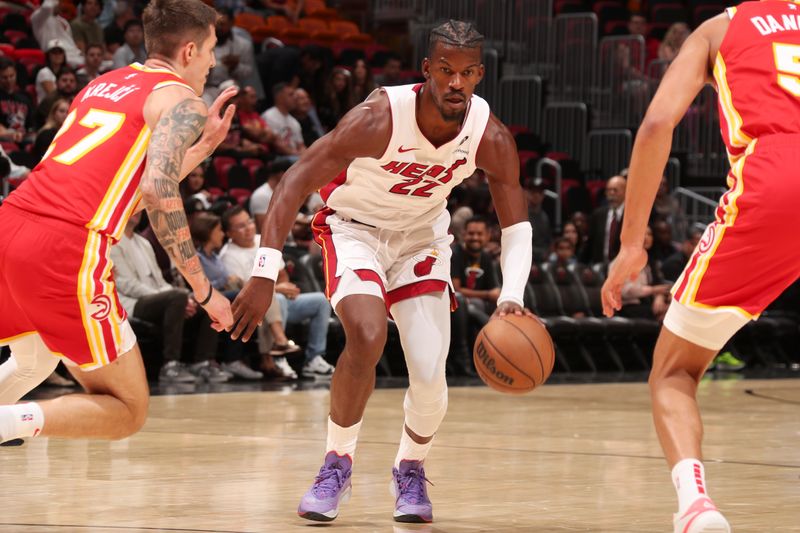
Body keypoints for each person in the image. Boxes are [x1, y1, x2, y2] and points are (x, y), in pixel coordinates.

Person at [230, 20, 533, 523]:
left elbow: (516, 225)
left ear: (479, 74)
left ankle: (409, 469)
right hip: (355, 230)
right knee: (367, 335)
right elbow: (292, 183)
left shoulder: (490, 137)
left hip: (421, 238)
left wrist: (511, 296)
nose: (454, 83)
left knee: (431, 378)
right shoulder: (377, 118)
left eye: (465, 73)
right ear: (426, 70)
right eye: (444, 71)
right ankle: (336, 461)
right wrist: (264, 273)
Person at [599, 4, 800, 532]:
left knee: (674, 371)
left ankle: (695, 507)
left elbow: (658, 122)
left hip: (778, 176)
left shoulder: (720, 28)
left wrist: (631, 242)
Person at [0, 0, 235, 445]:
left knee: (34, 359)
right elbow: (157, 193)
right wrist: (204, 292)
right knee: (127, 410)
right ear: (189, 51)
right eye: (210, 49)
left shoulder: (104, 84)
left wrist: (203, 149)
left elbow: (126, 195)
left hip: (11, 223)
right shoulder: (184, 101)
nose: (213, 60)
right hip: (63, 246)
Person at [111, 212, 220, 383]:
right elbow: (126, 284)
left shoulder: (144, 243)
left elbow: (160, 281)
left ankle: (203, 362)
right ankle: (170, 365)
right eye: (131, 207)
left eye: (138, 208)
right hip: (133, 303)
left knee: (205, 299)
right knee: (177, 297)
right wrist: (172, 297)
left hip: (160, 297)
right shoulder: (112, 242)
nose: (137, 212)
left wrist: (188, 299)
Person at [580, 174, 626, 266]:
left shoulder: (631, 216)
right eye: (608, 190)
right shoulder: (598, 215)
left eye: (615, 190)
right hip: (600, 268)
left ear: (625, 191)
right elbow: (590, 243)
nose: (611, 193)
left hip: (623, 269)